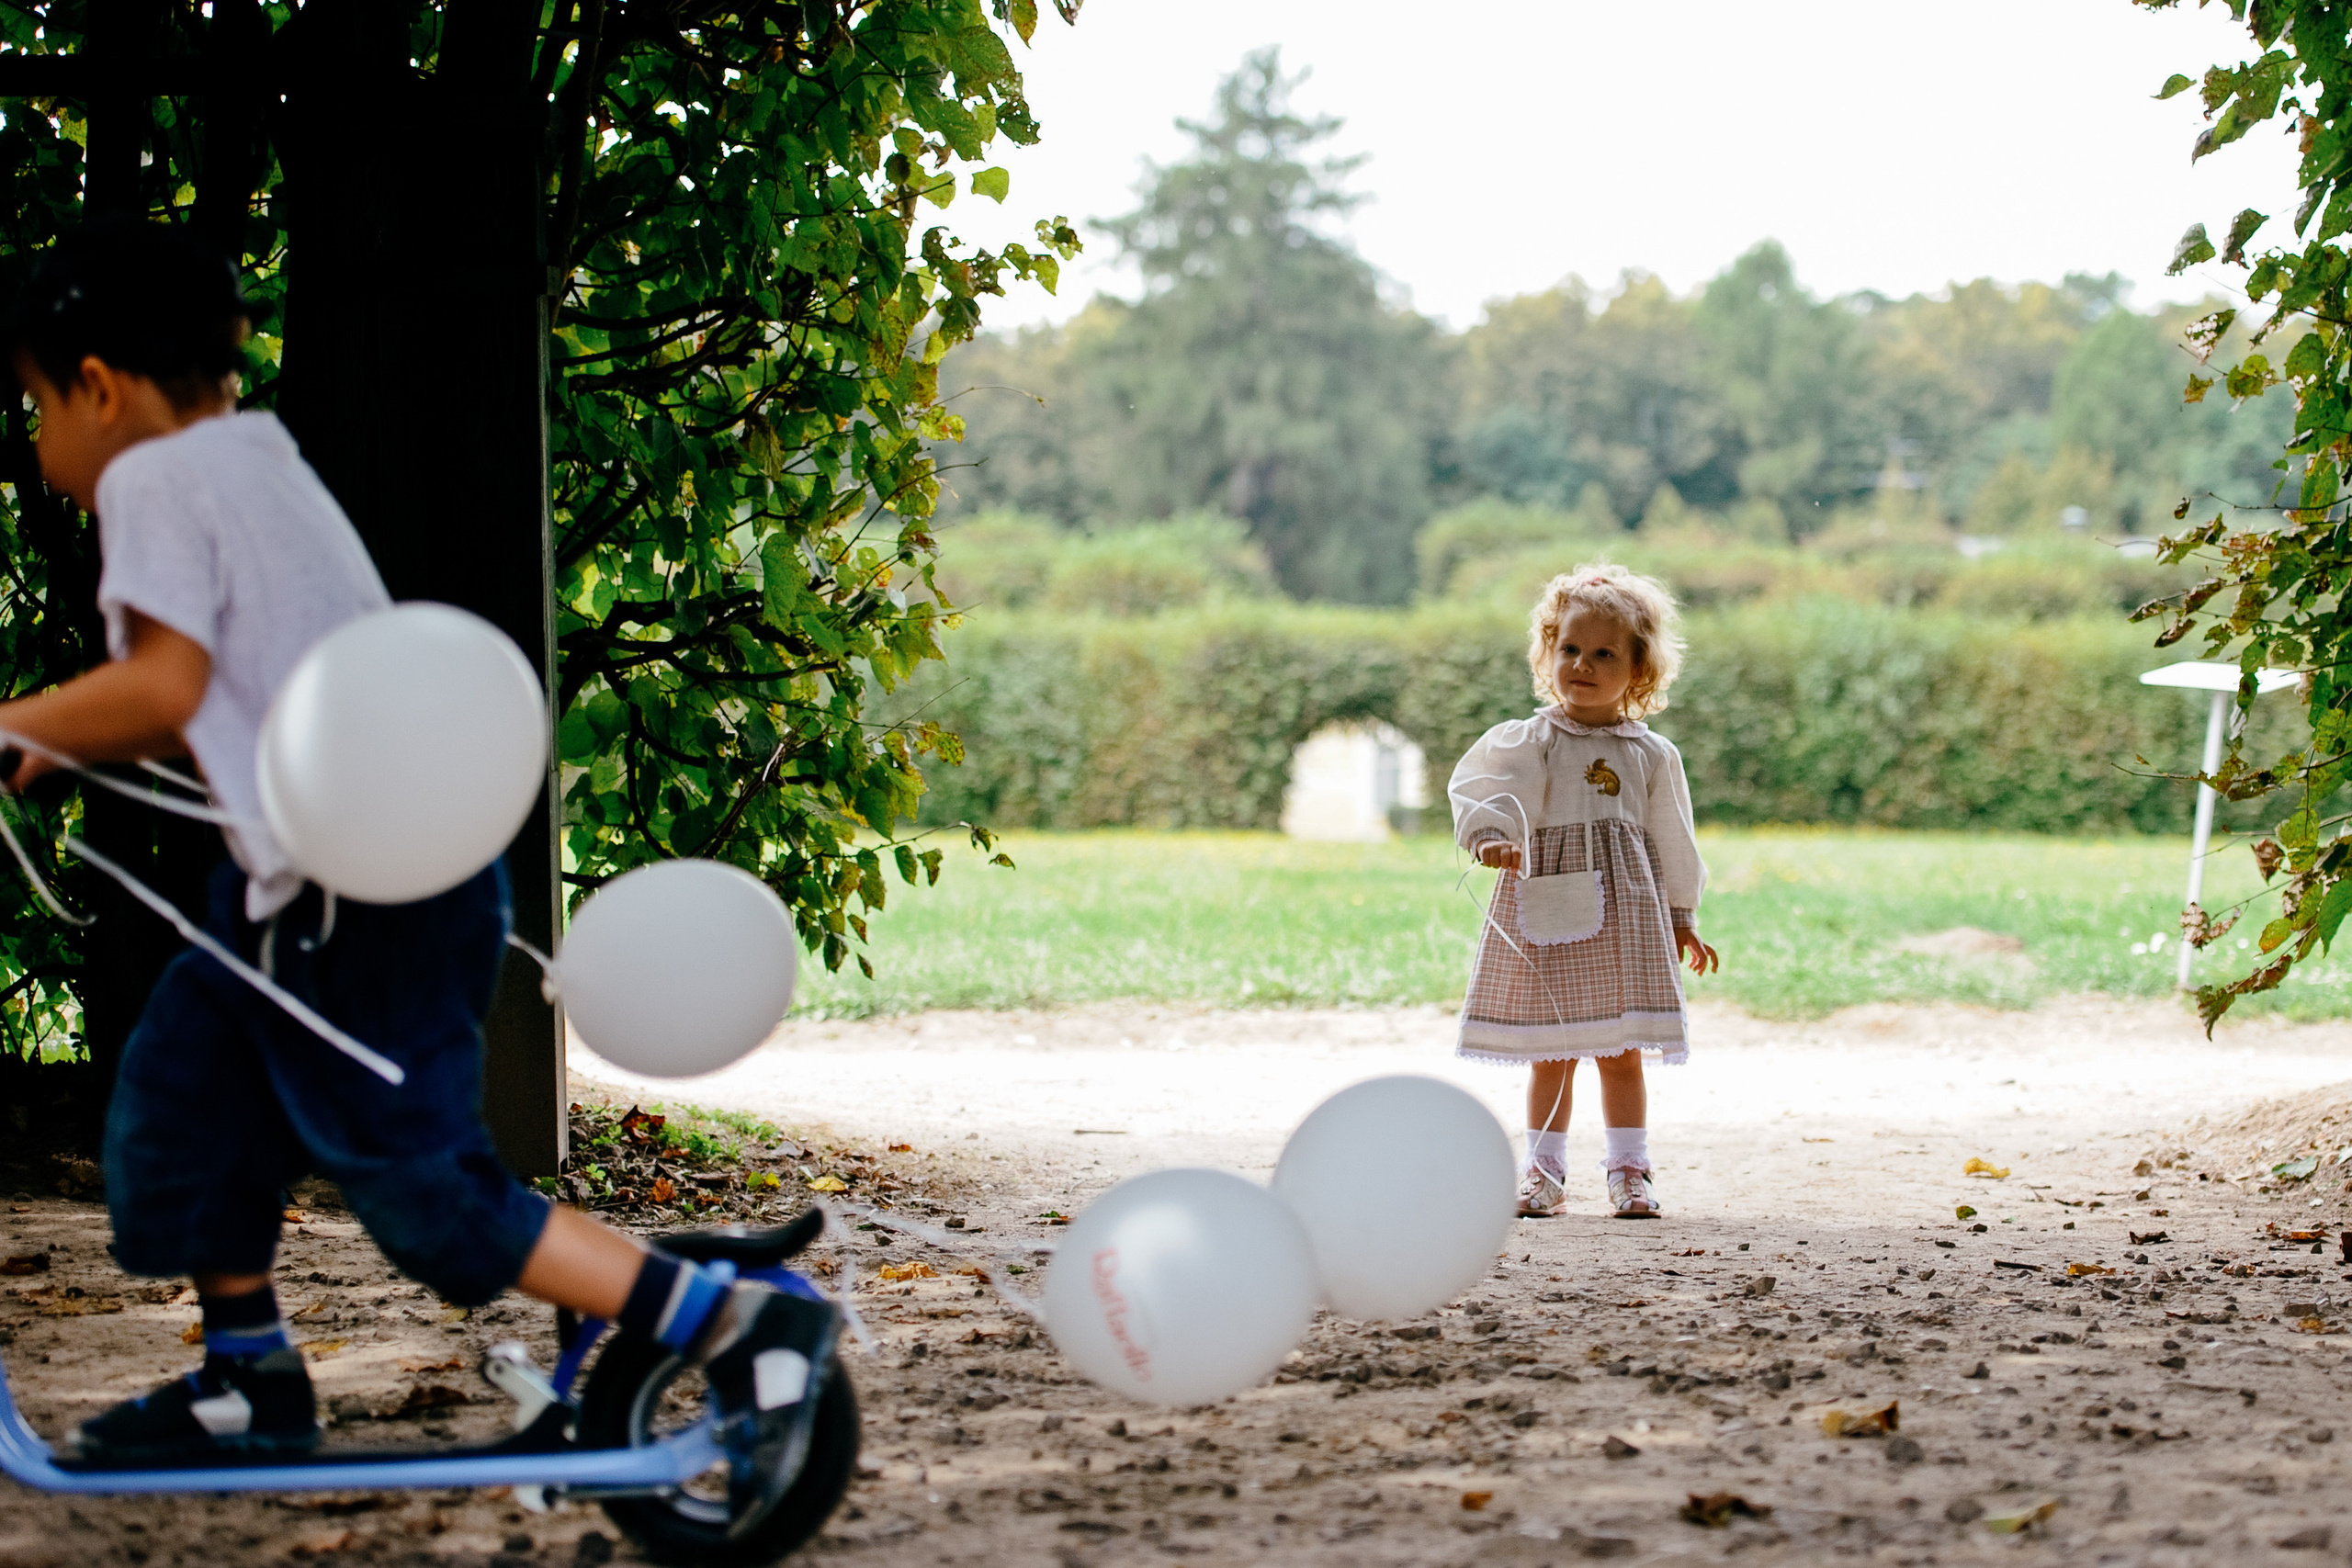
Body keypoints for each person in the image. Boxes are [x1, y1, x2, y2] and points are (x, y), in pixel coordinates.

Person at [0, 218, 833, 1522]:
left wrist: (21, 724)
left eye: (37, 405)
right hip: (299, 895)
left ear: (99, 387)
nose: (43, 446)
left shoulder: (158, 481)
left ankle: (730, 1322)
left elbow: (168, 682)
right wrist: (52, 745)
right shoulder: (251, 456)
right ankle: (246, 1379)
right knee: (183, 1105)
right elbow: (200, 692)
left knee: (429, 1195)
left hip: (365, 909)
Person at [1447, 562, 1719, 1220]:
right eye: (1570, 648)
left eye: (1604, 653)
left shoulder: (1652, 755)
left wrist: (1681, 912)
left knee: (1624, 1052)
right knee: (1553, 1051)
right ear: (1548, 651)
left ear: (1639, 668)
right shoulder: (1532, 739)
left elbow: (1674, 837)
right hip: (1551, 904)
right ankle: (1543, 1169)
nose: (1583, 665)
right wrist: (1492, 837)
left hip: (1627, 915)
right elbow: (1489, 789)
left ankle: (1630, 1167)